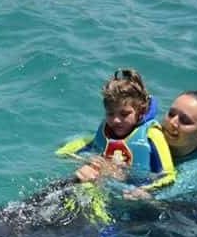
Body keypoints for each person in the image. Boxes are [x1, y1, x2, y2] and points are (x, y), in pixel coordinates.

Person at [55, 68, 176, 199]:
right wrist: (88, 160)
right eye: (110, 114)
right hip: (103, 187)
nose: (116, 120)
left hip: (134, 195)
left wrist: (145, 190)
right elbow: (63, 153)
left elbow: (169, 176)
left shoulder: (151, 135)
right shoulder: (105, 131)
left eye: (124, 114)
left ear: (141, 112)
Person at [152, 90, 197, 201]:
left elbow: (154, 198)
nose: (173, 122)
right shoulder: (147, 139)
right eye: (171, 114)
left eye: (184, 120)